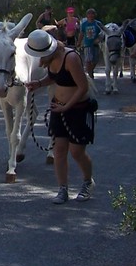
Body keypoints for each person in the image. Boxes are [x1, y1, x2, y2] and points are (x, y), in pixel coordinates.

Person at [24, 29, 95, 204]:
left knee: (77, 152)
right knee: (59, 151)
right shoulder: (51, 60)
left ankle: (88, 181)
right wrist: (39, 84)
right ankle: (62, 188)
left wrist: (67, 107)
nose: (39, 61)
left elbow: (83, 87)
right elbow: (54, 78)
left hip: (78, 109)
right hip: (59, 108)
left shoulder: (70, 58)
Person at [80, 8, 105, 79]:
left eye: (92, 14)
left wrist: (99, 39)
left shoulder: (98, 23)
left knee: (95, 60)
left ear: (95, 15)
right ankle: (90, 75)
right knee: (88, 60)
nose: (91, 15)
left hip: (96, 44)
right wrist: (79, 42)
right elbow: (81, 34)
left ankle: (91, 70)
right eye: (89, 14)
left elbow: (103, 33)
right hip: (87, 44)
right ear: (87, 15)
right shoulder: (84, 24)